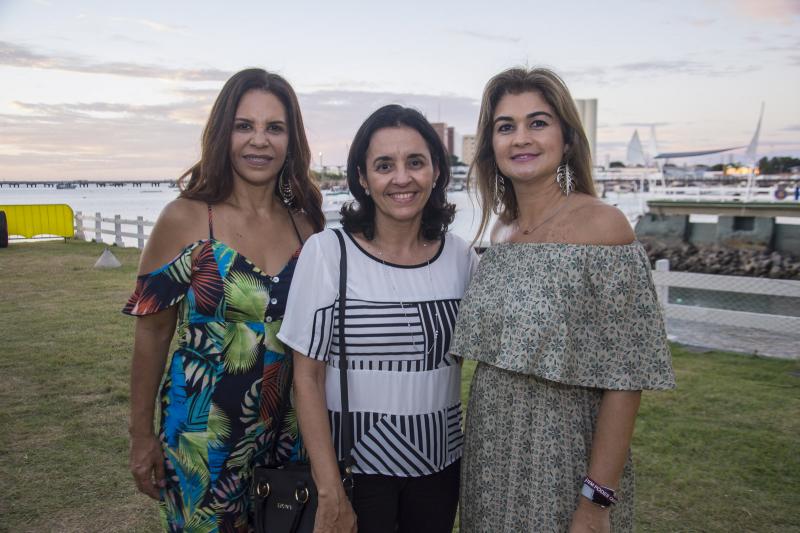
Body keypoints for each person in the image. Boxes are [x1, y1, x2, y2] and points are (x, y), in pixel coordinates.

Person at [450, 68, 676, 533]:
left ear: (567, 138)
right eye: (506, 126)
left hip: (562, 460)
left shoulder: (603, 228)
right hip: (490, 458)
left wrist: (596, 502)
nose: (521, 138)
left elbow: (625, 378)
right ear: (491, 145)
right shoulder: (502, 233)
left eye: (538, 122)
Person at [123, 68, 324, 531]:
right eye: (244, 125)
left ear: (291, 140)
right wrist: (140, 435)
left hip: (288, 435)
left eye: (275, 127)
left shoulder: (308, 224)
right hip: (202, 440)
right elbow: (152, 334)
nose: (260, 141)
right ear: (222, 134)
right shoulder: (185, 218)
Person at [278, 105, 478, 533]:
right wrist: (330, 491)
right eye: (384, 165)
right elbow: (306, 379)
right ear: (363, 178)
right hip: (355, 473)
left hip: (440, 471)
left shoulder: (461, 257)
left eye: (416, 162)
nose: (402, 178)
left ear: (436, 171)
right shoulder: (328, 253)